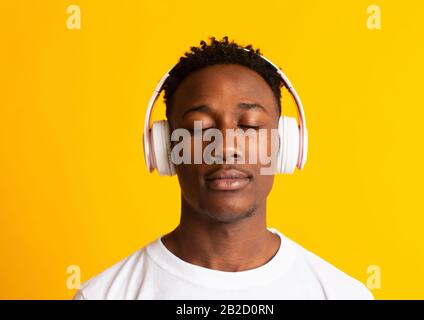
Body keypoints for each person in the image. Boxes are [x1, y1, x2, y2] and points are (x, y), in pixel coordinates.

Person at [73, 36, 374, 300]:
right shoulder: (103, 295)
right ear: (165, 147)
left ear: (286, 145)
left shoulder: (343, 295)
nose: (226, 146)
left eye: (250, 126)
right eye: (200, 128)